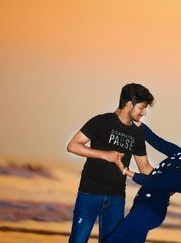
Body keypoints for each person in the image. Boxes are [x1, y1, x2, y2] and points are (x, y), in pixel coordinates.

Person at [104, 122, 181, 243]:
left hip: (150, 210)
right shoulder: (178, 154)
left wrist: (126, 171)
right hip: (141, 203)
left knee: (115, 239)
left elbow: (155, 183)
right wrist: (138, 124)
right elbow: (156, 141)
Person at [67, 83, 155, 243]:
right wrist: (104, 155)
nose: (144, 112)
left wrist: (166, 183)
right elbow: (73, 145)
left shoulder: (137, 134)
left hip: (116, 198)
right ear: (129, 104)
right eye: (141, 108)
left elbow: (145, 167)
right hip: (89, 193)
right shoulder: (101, 121)